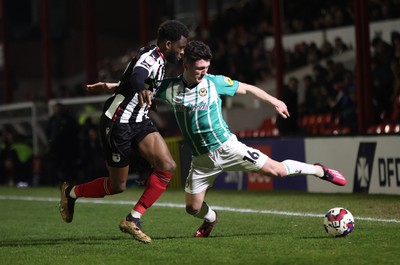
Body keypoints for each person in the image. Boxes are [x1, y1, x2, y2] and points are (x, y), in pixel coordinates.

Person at [88, 40, 347, 238]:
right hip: (201, 160)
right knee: (192, 208)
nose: (203, 72)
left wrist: (274, 100)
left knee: (277, 171)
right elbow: (141, 85)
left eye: (206, 68)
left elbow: (247, 87)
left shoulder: (214, 82)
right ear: (186, 65)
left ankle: (317, 170)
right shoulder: (169, 88)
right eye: (199, 68)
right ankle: (211, 219)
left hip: (228, 147)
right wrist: (111, 87)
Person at [60, 20, 189, 244]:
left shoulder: (158, 57)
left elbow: (136, 78)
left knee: (168, 166)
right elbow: (138, 76)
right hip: (117, 123)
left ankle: (133, 219)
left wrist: (125, 89)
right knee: (116, 186)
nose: (182, 52)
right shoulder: (150, 57)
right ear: (169, 44)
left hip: (139, 120)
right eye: (181, 47)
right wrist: (141, 89)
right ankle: (71, 192)